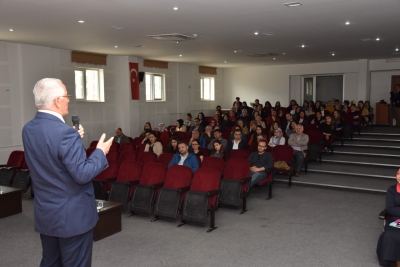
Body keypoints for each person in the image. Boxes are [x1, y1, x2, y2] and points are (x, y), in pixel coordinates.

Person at [22, 78, 113, 266]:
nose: (68, 100)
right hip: (72, 217)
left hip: (46, 213)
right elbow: (82, 175)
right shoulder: (64, 134)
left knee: (51, 262)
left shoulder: (28, 129)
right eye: (67, 96)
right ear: (57, 100)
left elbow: (49, 159)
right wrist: (99, 152)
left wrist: (72, 139)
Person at [376, 169, 400, 266]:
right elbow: (390, 209)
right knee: (391, 235)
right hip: (396, 219)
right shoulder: (391, 190)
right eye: (398, 173)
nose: (399, 176)